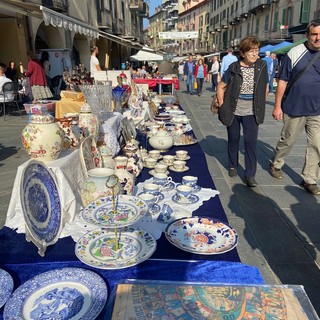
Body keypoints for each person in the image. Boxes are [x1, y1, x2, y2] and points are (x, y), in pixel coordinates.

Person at [270, 19, 320, 195]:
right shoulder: (295, 52)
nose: (317, 38)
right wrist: (277, 106)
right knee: (288, 141)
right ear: (307, 35)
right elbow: (282, 80)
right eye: (314, 34)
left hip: (317, 110)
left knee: (317, 145)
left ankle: (309, 179)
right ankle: (276, 164)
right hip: (294, 106)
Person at [216, 36, 268, 187]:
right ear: (243, 53)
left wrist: (261, 102)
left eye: (256, 51)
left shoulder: (262, 66)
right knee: (233, 139)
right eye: (251, 51)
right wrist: (222, 105)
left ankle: (250, 175)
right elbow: (220, 86)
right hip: (234, 109)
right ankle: (233, 165)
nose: (254, 54)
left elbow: (264, 86)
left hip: (252, 111)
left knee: (250, 142)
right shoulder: (234, 67)